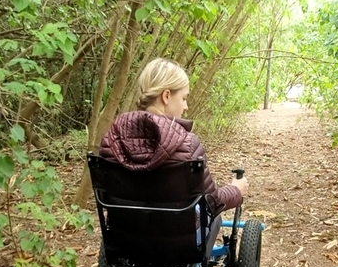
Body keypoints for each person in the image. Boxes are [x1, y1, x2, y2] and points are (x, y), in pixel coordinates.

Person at [98, 58, 248, 218]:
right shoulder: (188, 145)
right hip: (181, 242)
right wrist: (236, 190)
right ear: (166, 96)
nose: (186, 106)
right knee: (214, 220)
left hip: (122, 239)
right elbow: (212, 203)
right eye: (184, 98)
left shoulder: (111, 141)